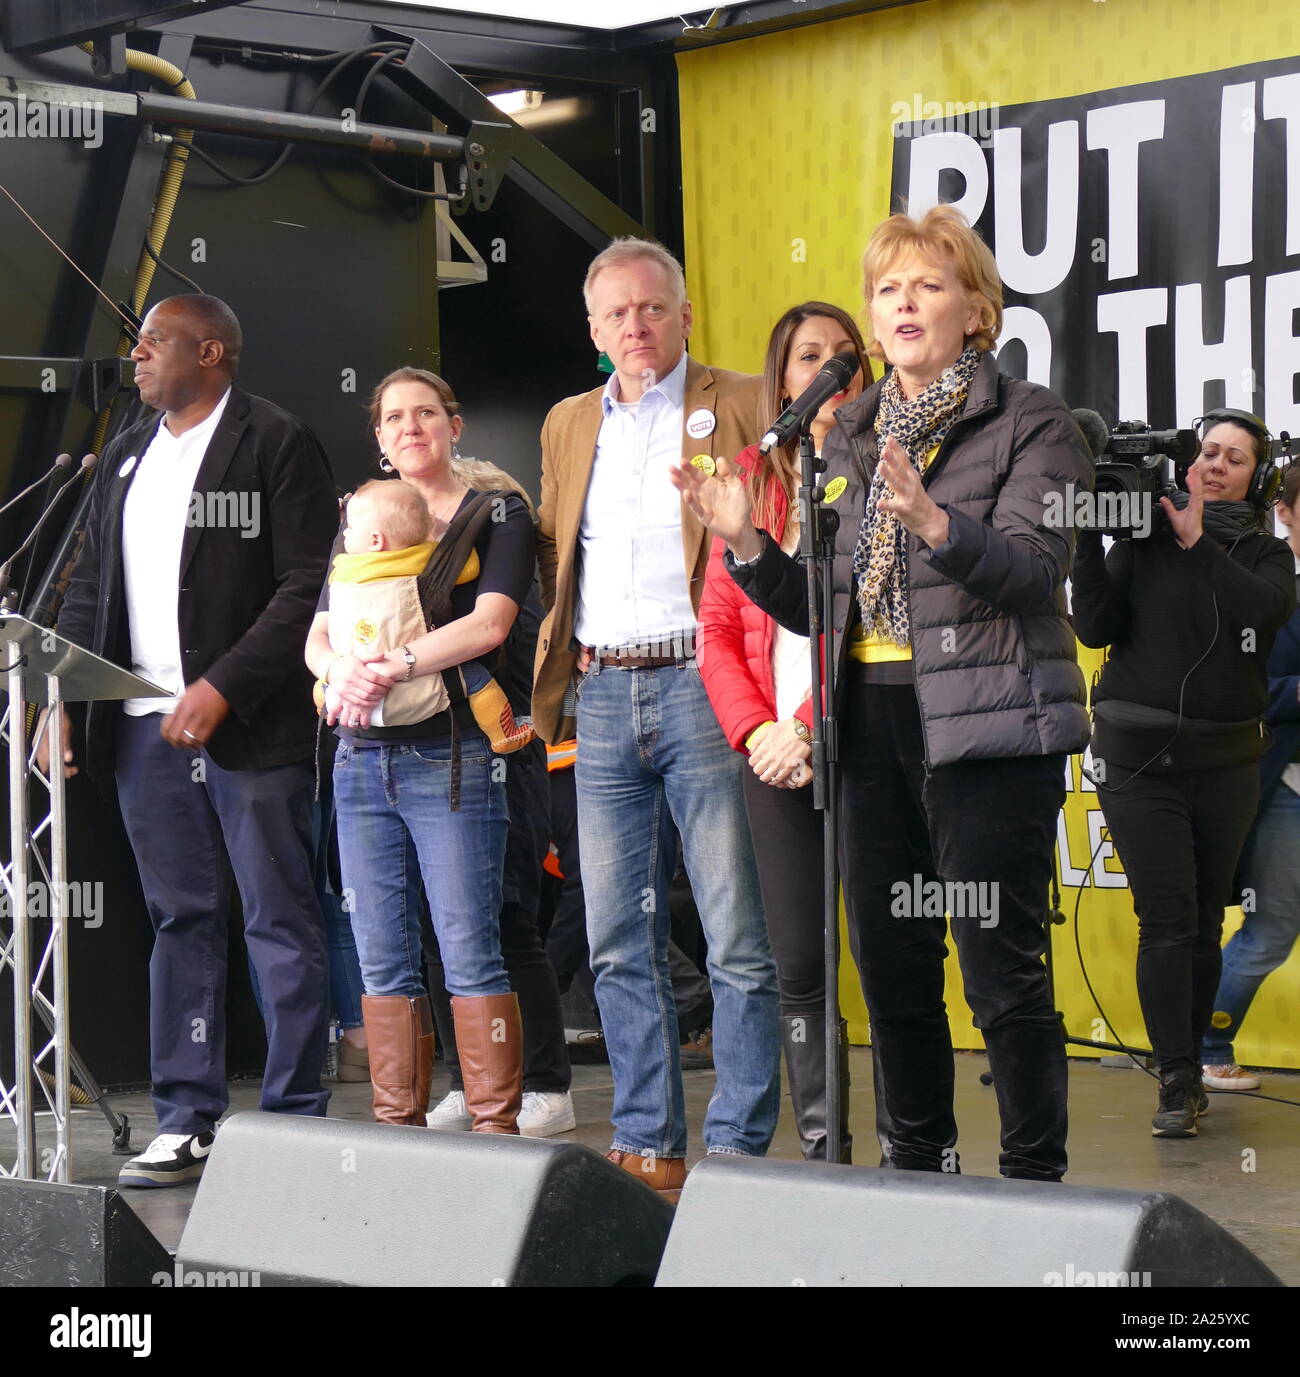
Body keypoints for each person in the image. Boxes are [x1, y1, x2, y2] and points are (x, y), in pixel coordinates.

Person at [673, 206, 1091, 1182]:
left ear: (977, 311)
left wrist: (936, 522)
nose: (902, 302)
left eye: (928, 284)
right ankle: (919, 1174)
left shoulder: (1033, 423)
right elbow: (822, 609)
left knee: (1000, 974)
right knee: (895, 975)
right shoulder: (850, 436)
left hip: (987, 729)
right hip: (869, 726)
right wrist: (745, 545)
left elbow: (1034, 572)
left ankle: (1034, 1186)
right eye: (887, 288)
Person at [49, 294, 338, 1187]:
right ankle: (187, 1115)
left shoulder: (274, 439)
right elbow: (89, 577)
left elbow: (303, 584)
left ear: (210, 352)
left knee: (277, 917)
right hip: (142, 730)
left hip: (248, 726)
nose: (136, 359)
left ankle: (295, 1116)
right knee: (181, 918)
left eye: (154, 344)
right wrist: (62, 688)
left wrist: (222, 684)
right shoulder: (127, 453)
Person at [533, 235, 781, 1199]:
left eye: (652, 308)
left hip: (704, 682)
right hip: (599, 694)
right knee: (613, 936)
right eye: (616, 313)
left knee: (735, 933)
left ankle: (736, 1148)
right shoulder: (565, 421)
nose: (636, 326)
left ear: (683, 313)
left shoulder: (741, 401)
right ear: (593, 329)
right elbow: (556, 541)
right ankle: (647, 1136)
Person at [304, 368, 534, 1132]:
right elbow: (319, 631)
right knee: (380, 959)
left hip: (454, 759)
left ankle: (496, 1129)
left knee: (470, 949)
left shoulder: (496, 511)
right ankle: (396, 1130)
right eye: (394, 417)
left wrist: (390, 665)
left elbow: (491, 623)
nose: (411, 427)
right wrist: (342, 670)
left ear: (454, 425)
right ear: (379, 437)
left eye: (426, 413)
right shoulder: (361, 517)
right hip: (360, 760)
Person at [1073, 410, 1295, 1135]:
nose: (1216, 464)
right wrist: (1082, 534)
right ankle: (1174, 1078)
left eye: (1235, 457)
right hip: (1138, 757)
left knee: (1204, 922)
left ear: (1255, 477)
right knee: (1165, 918)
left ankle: (1190, 1067)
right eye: (1208, 452)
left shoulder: (1267, 555)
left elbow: (1258, 618)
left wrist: (1200, 543)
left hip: (1227, 760)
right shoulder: (1144, 540)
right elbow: (1096, 627)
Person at [696, 301, 868, 1160]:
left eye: (846, 356)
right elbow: (719, 629)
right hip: (772, 757)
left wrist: (806, 725)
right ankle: (823, 1154)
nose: (830, 371)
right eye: (810, 357)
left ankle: (914, 1163)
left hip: (858, 740)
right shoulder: (751, 480)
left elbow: (865, 620)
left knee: (883, 957)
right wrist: (759, 730)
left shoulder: (882, 472)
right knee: (798, 966)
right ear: (784, 379)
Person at [1201, 459, 1300, 1091]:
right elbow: (1245, 687)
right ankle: (1205, 1044)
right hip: (1285, 787)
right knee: (1268, 933)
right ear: (1285, 512)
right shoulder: (1269, 582)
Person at [320, 478, 533, 752]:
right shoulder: (424, 556)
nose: (344, 534)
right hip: (424, 682)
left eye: (349, 528)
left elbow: (319, 633)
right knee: (477, 678)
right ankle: (504, 733)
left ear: (375, 540)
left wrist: (338, 671)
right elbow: (468, 567)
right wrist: (436, 532)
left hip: (354, 684)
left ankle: (327, 707)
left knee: (322, 686)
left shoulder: (344, 568)